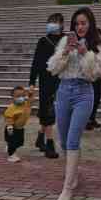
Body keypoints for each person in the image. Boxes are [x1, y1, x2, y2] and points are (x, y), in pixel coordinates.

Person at [47, 7, 101, 200]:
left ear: (90, 24)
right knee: (64, 141)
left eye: (83, 23)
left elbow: (95, 74)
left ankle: (67, 188)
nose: (80, 27)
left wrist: (85, 53)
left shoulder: (98, 46)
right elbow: (53, 69)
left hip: (84, 92)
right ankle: (72, 177)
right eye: (76, 24)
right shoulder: (65, 41)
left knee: (73, 139)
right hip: (64, 91)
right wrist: (65, 52)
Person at [29, 13, 64, 159]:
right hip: (46, 81)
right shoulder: (43, 41)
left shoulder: (65, 40)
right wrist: (32, 82)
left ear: (62, 24)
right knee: (48, 110)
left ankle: (40, 137)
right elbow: (36, 62)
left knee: (49, 111)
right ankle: (50, 144)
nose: (52, 24)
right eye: (50, 21)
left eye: (55, 22)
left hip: (61, 80)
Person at [3, 85, 36, 163]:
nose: (21, 98)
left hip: (20, 128)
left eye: (23, 95)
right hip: (12, 128)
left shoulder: (25, 104)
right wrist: (10, 131)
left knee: (19, 142)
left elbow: (31, 100)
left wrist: (31, 93)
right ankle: (11, 156)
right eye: (18, 96)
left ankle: (9, 147)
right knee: (12, 142)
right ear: (12, 97)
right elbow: (9, 120)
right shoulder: (11, 108)